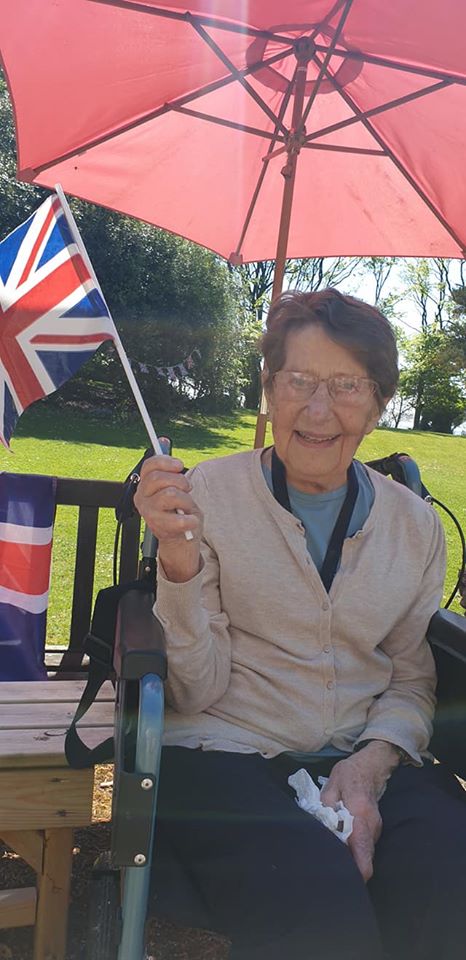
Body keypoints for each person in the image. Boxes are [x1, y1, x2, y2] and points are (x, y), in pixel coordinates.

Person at [134, 289, 466, 960]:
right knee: (318, 909)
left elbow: (409, 676)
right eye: (298, 382)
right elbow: (194, 691)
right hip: (221, 755)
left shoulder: (415, 526)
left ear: (377, 404)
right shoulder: (206, 498)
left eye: (346, 386)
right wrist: (178, 564)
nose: (318, 411)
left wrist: (373, 765)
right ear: (269, 391)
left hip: (364, 752)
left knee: (449, 884)